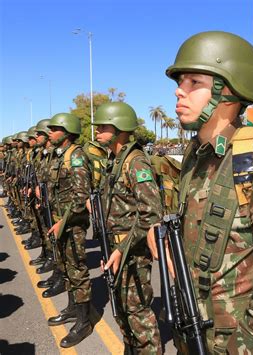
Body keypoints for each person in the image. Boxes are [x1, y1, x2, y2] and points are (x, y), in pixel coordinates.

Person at [148, 31, 253, 353]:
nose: (179, 91)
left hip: (234, 341)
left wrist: (247, 346)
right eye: (180, 82)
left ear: (228, 91)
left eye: (194, 83)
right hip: (192, 326)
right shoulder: (196, 154)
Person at [94, 102, 163, 354]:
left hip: (132, 252)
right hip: (116, 247)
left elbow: (151, 213)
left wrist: (122, 247)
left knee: (138, 314)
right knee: (121, 307)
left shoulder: (135, 163)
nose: (97, 131)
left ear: (120, 128)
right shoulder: (115, 160)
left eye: (103, 126)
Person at [46, 113, 93, 348]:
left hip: (72, 225)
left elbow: (80, 196)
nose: (50, 133)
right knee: (65, 266)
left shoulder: (75, 157)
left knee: (77, 270)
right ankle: (73, 308)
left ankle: (84, 322)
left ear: (66, 132)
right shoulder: (60, 156)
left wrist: (61, 223)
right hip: (60, 223)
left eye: (54, 129)